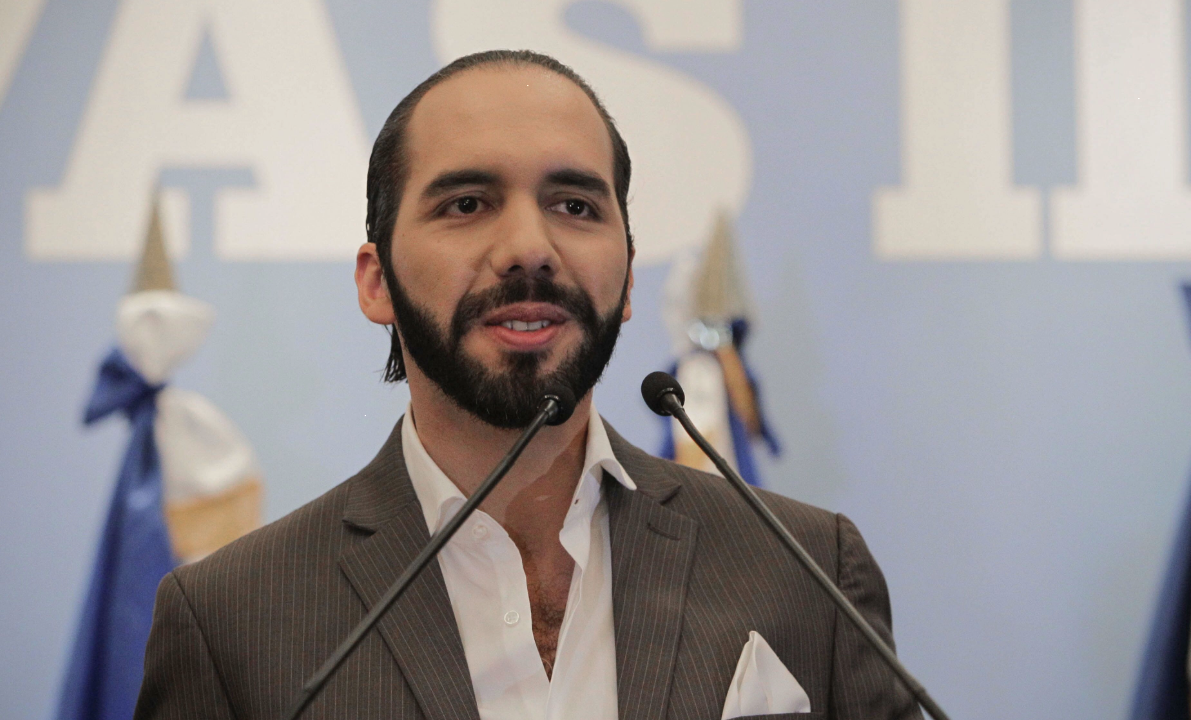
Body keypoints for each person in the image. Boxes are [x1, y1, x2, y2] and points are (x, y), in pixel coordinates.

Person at [134, 50, 922, 720]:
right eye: (467, 204)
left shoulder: (807, 571)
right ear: (376, 282)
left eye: (574, 205)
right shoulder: (231, 621)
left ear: (628, 275)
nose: (528, 247)